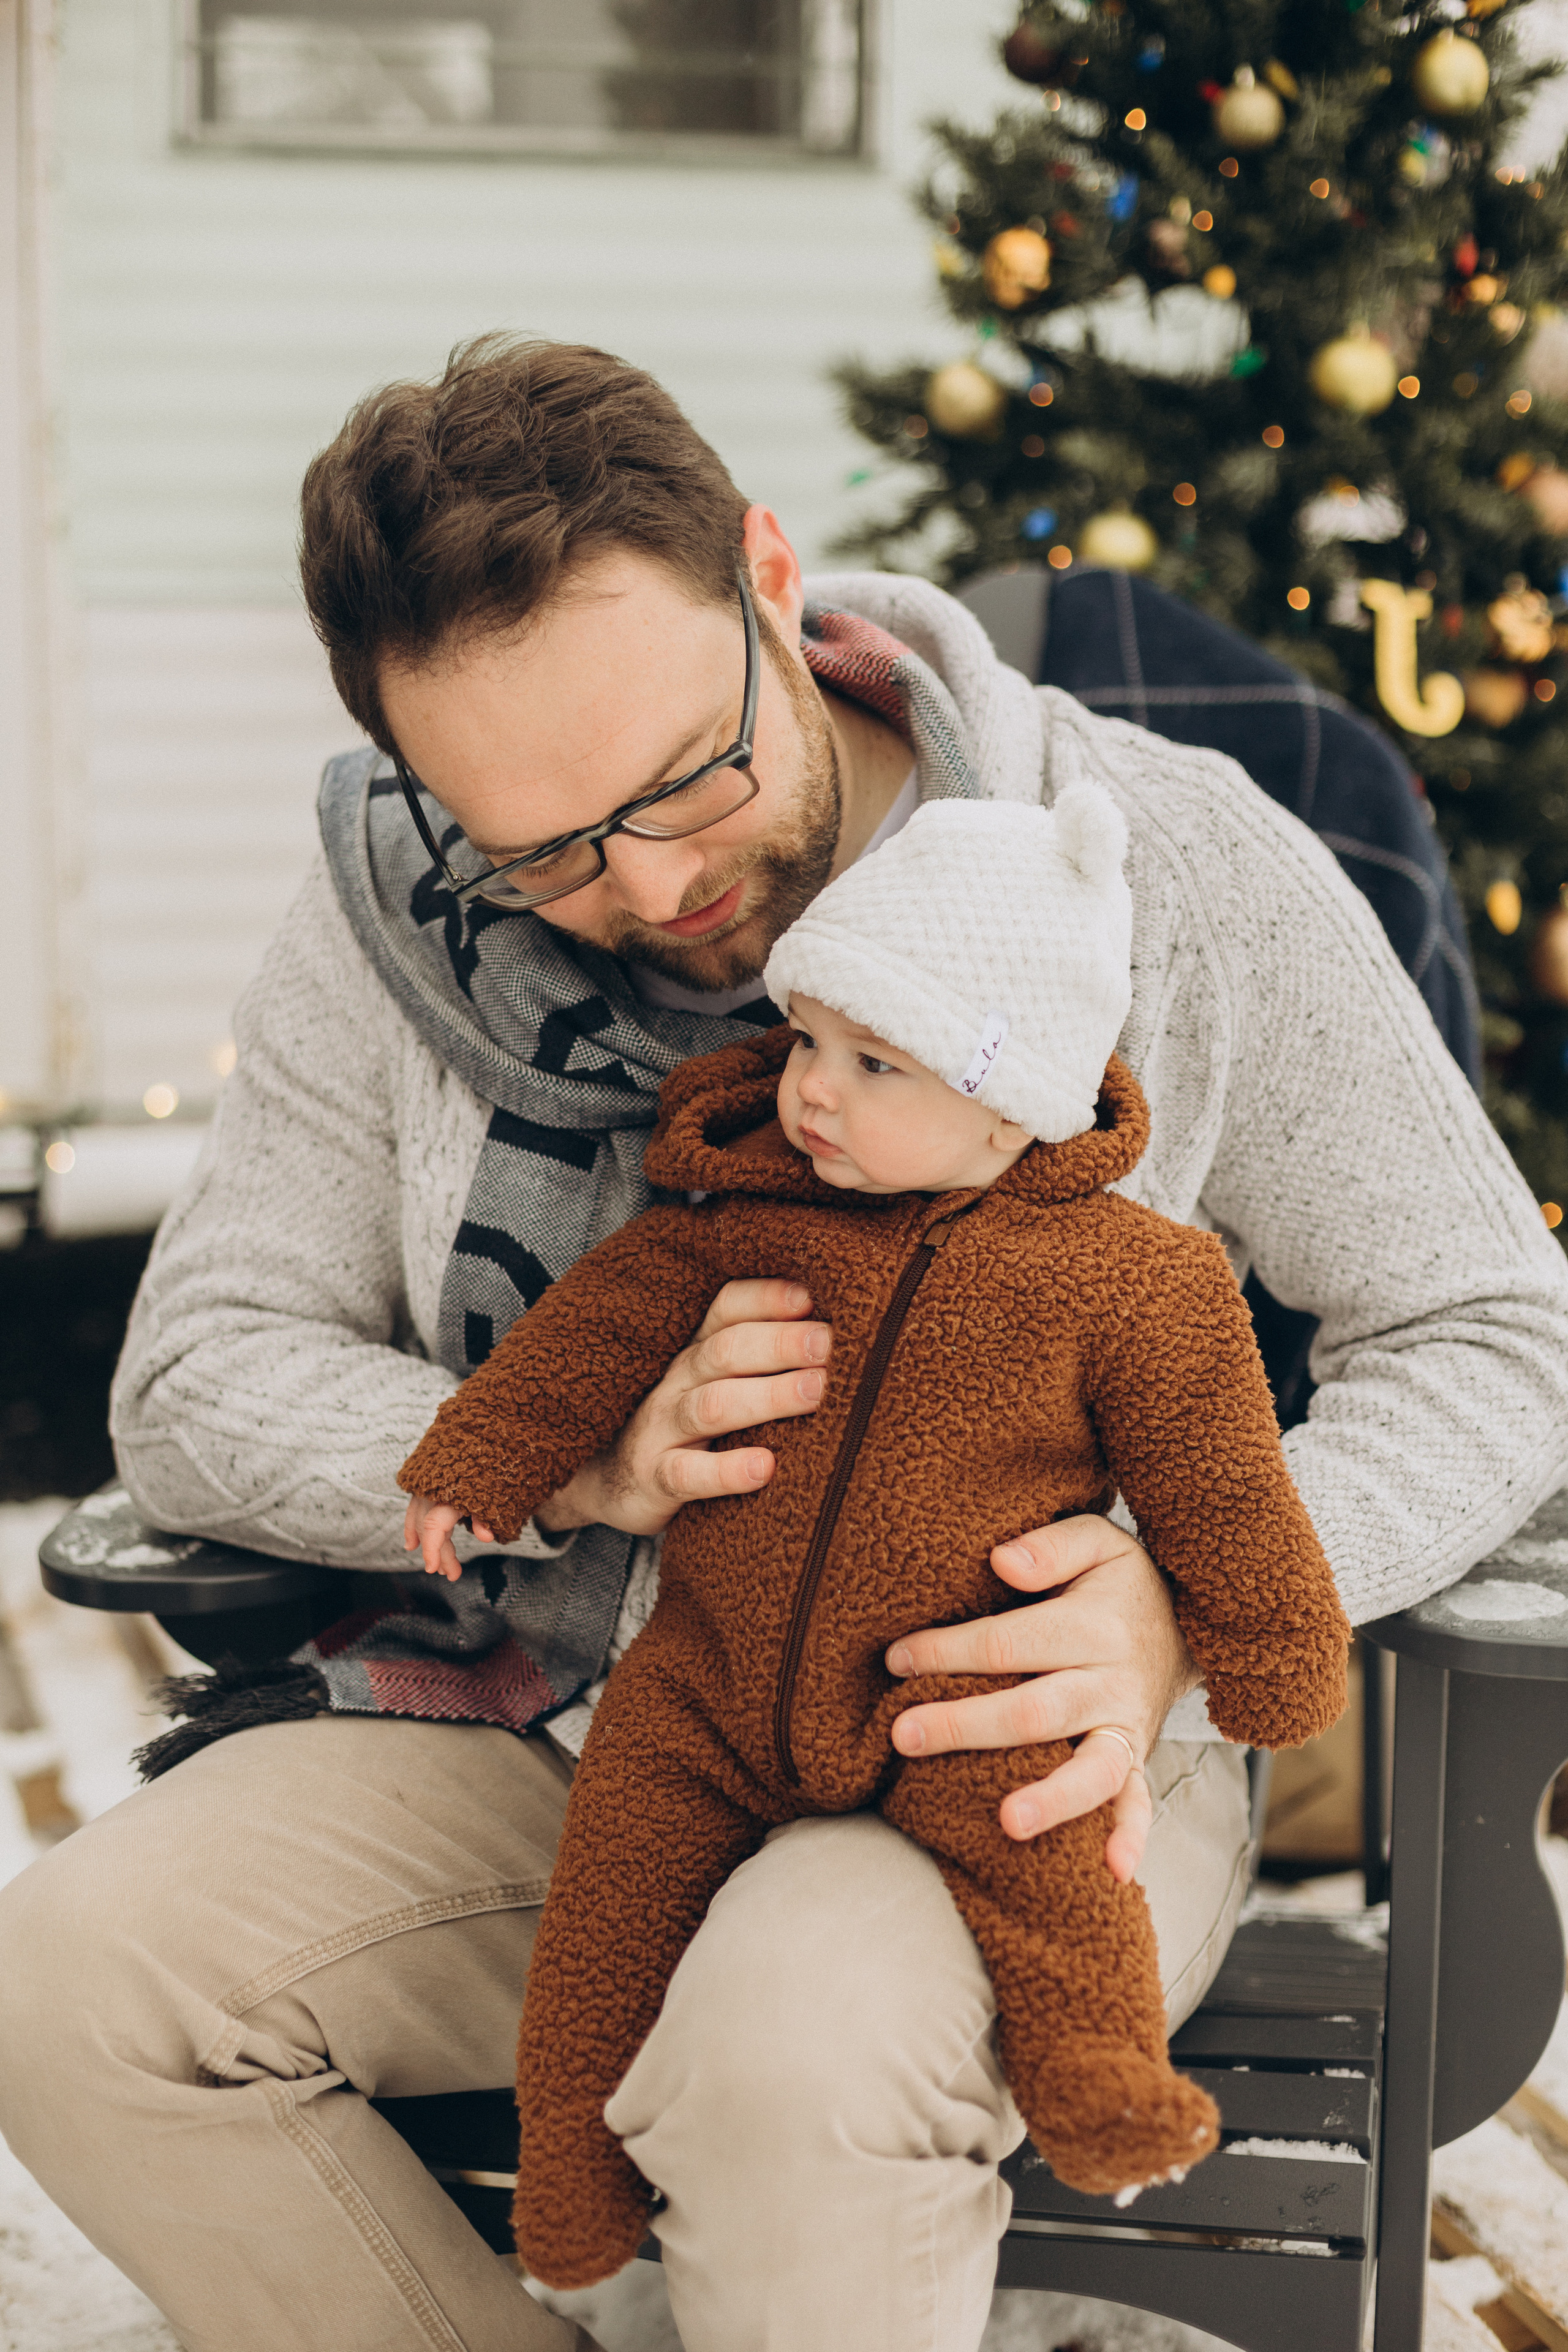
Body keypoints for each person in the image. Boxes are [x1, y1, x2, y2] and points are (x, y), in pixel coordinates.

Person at [0, 333, 1563, 2352]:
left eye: (685, 781)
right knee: (76, 1992)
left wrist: (1190, 1593)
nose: (650, 889)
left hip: (1004, 1779)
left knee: (790, 2059)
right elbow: (202, 1369)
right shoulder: (386, 926)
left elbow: (1494, 1322)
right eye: (545, 851)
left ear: (768, 577)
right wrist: (572, 1453)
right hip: (560, 1733)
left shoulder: (1153, 864)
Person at [399, 785, 1350, 2285]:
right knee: (602, 1930)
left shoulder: (1130, 1285)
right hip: (698, 1685)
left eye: (872, 1063)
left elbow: (1221, 1489)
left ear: (1006, 1094)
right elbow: (586, 1338)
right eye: (809, 1045)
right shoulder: (743, 1216)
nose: (811, 1095)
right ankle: (571, 2186)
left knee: (1053, 1861)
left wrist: (1266, 1650)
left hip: (950, 1695)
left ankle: (1100, 2085)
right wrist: (487, 1460)